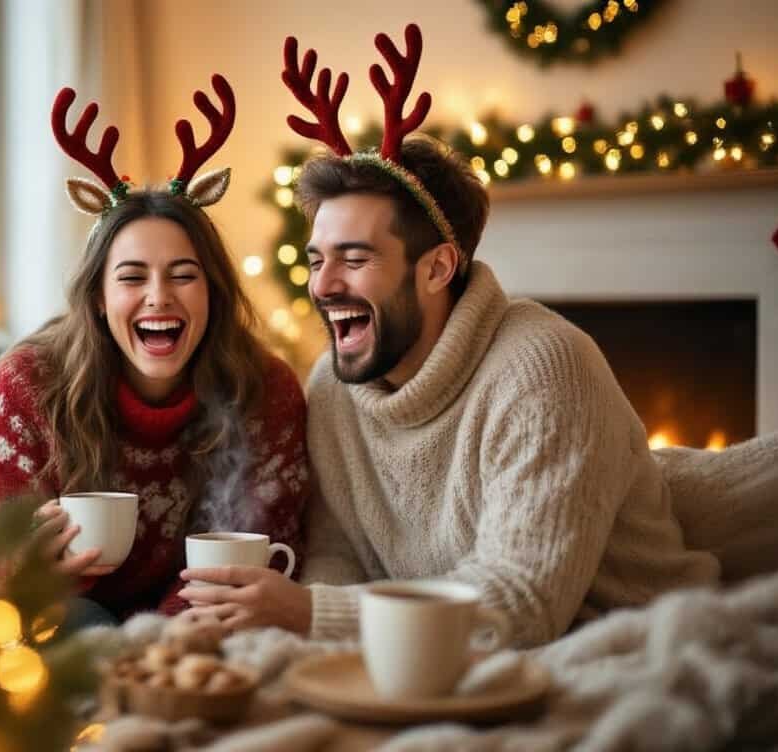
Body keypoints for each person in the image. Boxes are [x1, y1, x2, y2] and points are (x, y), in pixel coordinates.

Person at [182, 25, 735, 648]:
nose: (324, 285)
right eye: (316, 260)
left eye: (355, 259)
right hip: (441, 660)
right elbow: (336, 557)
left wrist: (311, 615)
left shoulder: (545, 367)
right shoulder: (334, 386)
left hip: (634, 645)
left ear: (438, 268)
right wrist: (297, 621)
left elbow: (522, 604)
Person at [0, 76, 309, 626]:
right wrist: (25, 570)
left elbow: (261, 557)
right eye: (131, 277)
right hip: (58, 620)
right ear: (98, 298)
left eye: (184, 275)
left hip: (197, 628)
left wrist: (156, 642)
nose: (158, 296)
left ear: (213, 294)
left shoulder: (266, 391)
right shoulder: (28, 384)